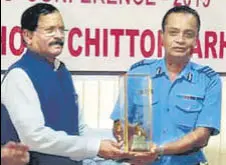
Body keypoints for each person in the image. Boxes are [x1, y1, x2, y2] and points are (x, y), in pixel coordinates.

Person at [1, 3, 132, 165]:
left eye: (61, 30)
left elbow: (80, 129)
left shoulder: (62, 71)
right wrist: (96, 147)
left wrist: (113, 148)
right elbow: (34, 137)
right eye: (50, 30)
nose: (59, 36)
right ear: (28, 36)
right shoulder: (19, 75)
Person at [111, 5, 222, 165]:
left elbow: (202, 136)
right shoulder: (138, 73)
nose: (180, 40)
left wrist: (160, 149)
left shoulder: (208, 80)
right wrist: (126, 138)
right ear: (161, 37)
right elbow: (119, 121)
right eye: (173, 32)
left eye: (188, 34)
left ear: (196, 40)